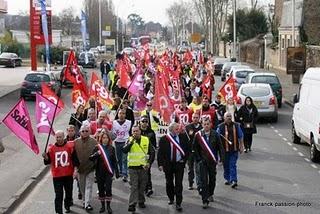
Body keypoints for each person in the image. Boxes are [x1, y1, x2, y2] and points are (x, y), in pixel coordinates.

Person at [42, 130, 79, 214]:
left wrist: (76, 170)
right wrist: (45, 157)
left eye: (60, 137)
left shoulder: (70, 146)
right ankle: (59, 211)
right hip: (57, 176)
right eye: (57, 137)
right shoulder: (51, 148)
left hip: (68, 174)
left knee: (69, 193)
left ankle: (67, 204)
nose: (58, 139)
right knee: (58, 195)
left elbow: (75, 159)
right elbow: (47, 161)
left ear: (63, 137)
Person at [157, 122, 190, 212]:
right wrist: (160, 164)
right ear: (171, 129)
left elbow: (187, 149)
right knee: (169, 182)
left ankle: (178, 203)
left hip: (179, 164)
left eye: (178, 128)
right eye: (176, 129)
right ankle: (171, 198)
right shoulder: (164, 139)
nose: (178, 130)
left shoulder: (183, 137)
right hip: (168, 164)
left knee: (179, 183)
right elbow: (160, 153)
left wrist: (185, 160)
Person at [122, 125, 155, 212]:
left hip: (143, 167)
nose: (135, 133)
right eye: (133, 131)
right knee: (134, 186)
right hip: (132, 167)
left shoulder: (146, 139)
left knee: (142, 186)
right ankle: (132, 204)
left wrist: (149, 163)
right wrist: (130, 143)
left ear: (140, 131)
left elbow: (152, 152)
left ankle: (141, 201)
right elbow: (124, 150)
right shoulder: (129, 140)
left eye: (137, 131)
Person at [193, 118, 224, 208]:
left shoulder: (215, 134)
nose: (206, 125)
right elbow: (194, 149)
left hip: (212, 161)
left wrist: (221, 159)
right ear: (202, 125)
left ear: (210, 124)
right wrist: (199, 159)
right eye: (204, 124)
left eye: (208, 124)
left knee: (212, 179)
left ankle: (210, 194)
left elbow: (220, 148)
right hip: (202, 162)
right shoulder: (198, 135)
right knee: (203, 180)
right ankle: (205, 200)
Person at [89, 130, 119, 213]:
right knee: (101, 189)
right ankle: (102, 206)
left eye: (106, 138)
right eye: (103, 138)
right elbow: (90, 158)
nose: (105, 139)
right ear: (101, 139)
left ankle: (108, 206)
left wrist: (117, 172)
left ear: (109, 139)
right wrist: (96, 154)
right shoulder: (97, 148)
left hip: (108, 172)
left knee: (108, 189)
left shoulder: (111, 148)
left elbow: (114, 161)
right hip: (99, 172)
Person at [74, 125, 98, 211]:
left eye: (86, 131)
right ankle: (84, 200)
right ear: (80, 132)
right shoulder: (75, 142)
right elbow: (72, 155)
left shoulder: (94, 142)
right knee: (82, 186)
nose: (85, 133)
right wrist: (75, 169)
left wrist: (95, 166)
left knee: (89, 186)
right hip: (80, 169)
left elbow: (98, 154)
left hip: (90, 168)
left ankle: (87, 203)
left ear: (90, 132)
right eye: (83, 131)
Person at [217, 112, 244, 189]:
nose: (229, 117)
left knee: (232, 165)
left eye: (230, 116)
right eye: (227, 116)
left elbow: (241, 136)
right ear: (224, 118)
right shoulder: (220, 127)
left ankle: (234, 180)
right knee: (226, 166)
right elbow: (216, 138)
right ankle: (228, 178)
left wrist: (241, 146)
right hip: (224, 151)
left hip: (234, 150)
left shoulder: (236, 125)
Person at [112, 109, 132, 182]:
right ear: (118, 114)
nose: (121, 115)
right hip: (117, 142)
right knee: (119, 158)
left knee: (124, 159)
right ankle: (120, 170)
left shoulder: (129, 122)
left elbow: (131, 132)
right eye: (120, 113)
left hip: (125, 141)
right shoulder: (114, 123)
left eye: (123, 113)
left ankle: (125, 174)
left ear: (125, 115)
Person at [139, 115, 157, 197]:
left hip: (148, 155)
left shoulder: (151, 132)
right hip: (138, 155)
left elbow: (154, 145)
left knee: (147, 172)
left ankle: (149, 188)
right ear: (140, 122)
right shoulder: (137, 131)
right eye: (143, 121)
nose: (145, 123)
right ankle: (141, 188)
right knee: (140, 173)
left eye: (146, 121)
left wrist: (152, 155)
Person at [185, 113, 202, 191]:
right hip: (190, 151)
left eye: (197, 117)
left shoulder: (202, 127)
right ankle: (190, 183)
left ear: (199, 118)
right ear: (192, 118)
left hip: (199, 151)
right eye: (194, 117)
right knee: (190, 169)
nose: (195, 119)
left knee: (198, 169)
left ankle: (199, 184)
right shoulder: (188, 127)